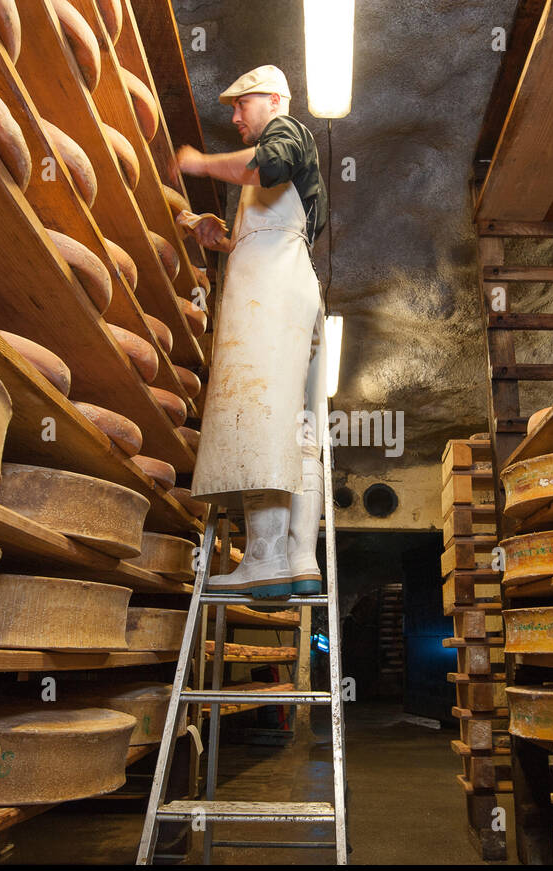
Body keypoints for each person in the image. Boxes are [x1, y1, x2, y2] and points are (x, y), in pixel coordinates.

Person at [173, 65, 330, 599]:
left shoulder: (287, 133)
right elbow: (273, 213)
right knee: (297, 425)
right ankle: (300, 557)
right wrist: (223, 239)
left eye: (242, 104)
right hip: (292, 289)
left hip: (273, 294)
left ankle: (264, 560)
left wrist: (198, 163)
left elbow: (267, 167)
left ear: (273, 99)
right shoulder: (282, 172)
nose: (236, 117)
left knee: (260, 417)